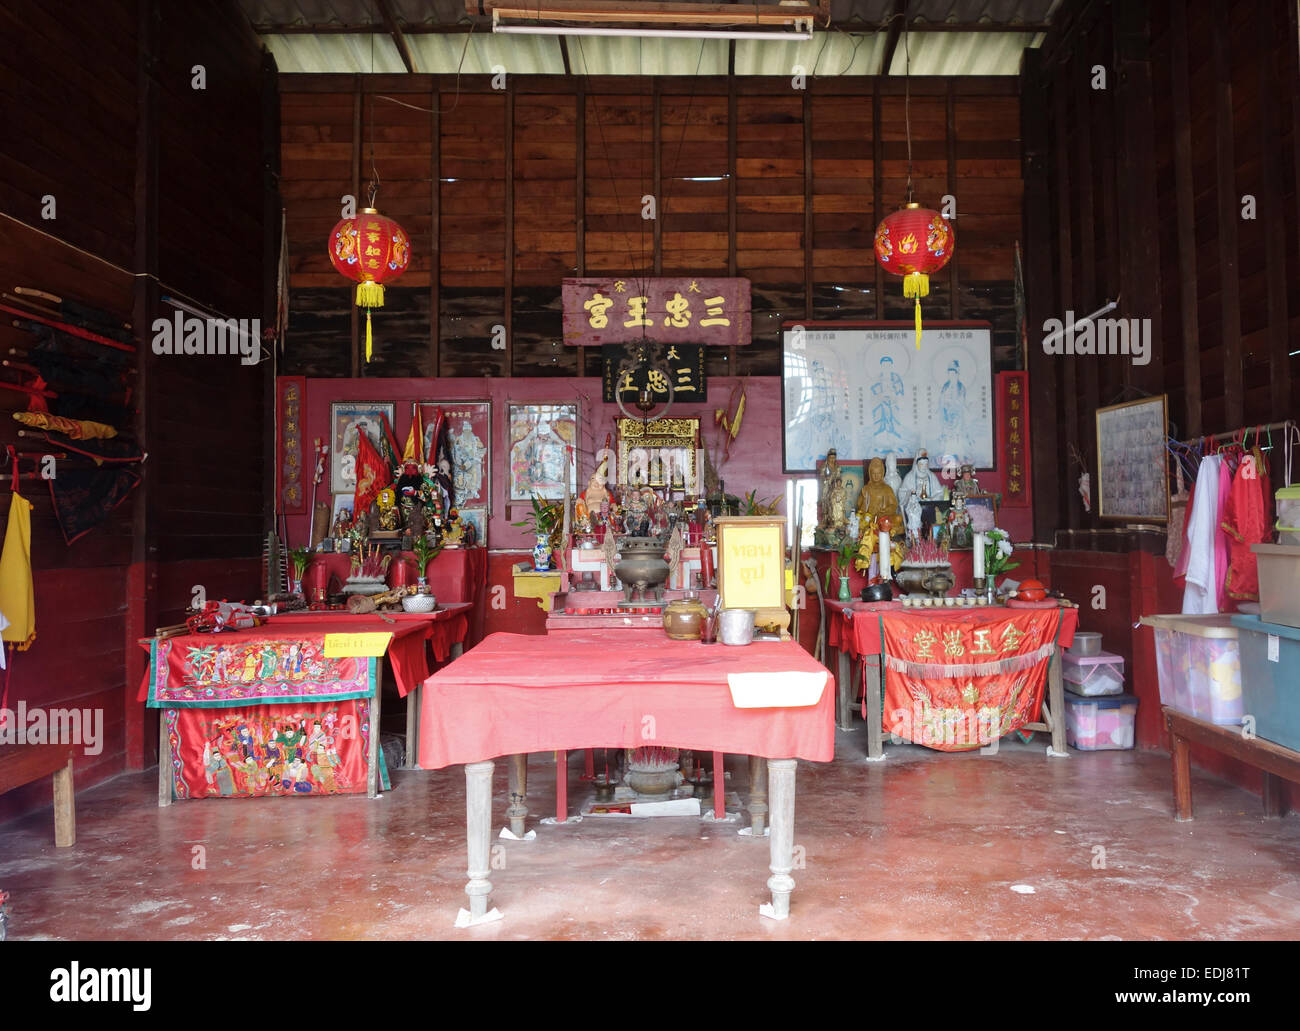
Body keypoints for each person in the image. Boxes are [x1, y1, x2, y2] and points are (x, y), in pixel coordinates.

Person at [898, 449, 944, 515]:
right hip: (914, 511)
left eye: (926, 464)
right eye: (921, 464)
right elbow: (902, 494)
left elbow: (940, 493)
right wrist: (911, 495)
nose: (924, 467)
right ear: (917, 464)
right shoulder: (910, 477)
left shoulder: (932, 476)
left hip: (930, 509)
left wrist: (931, 499)